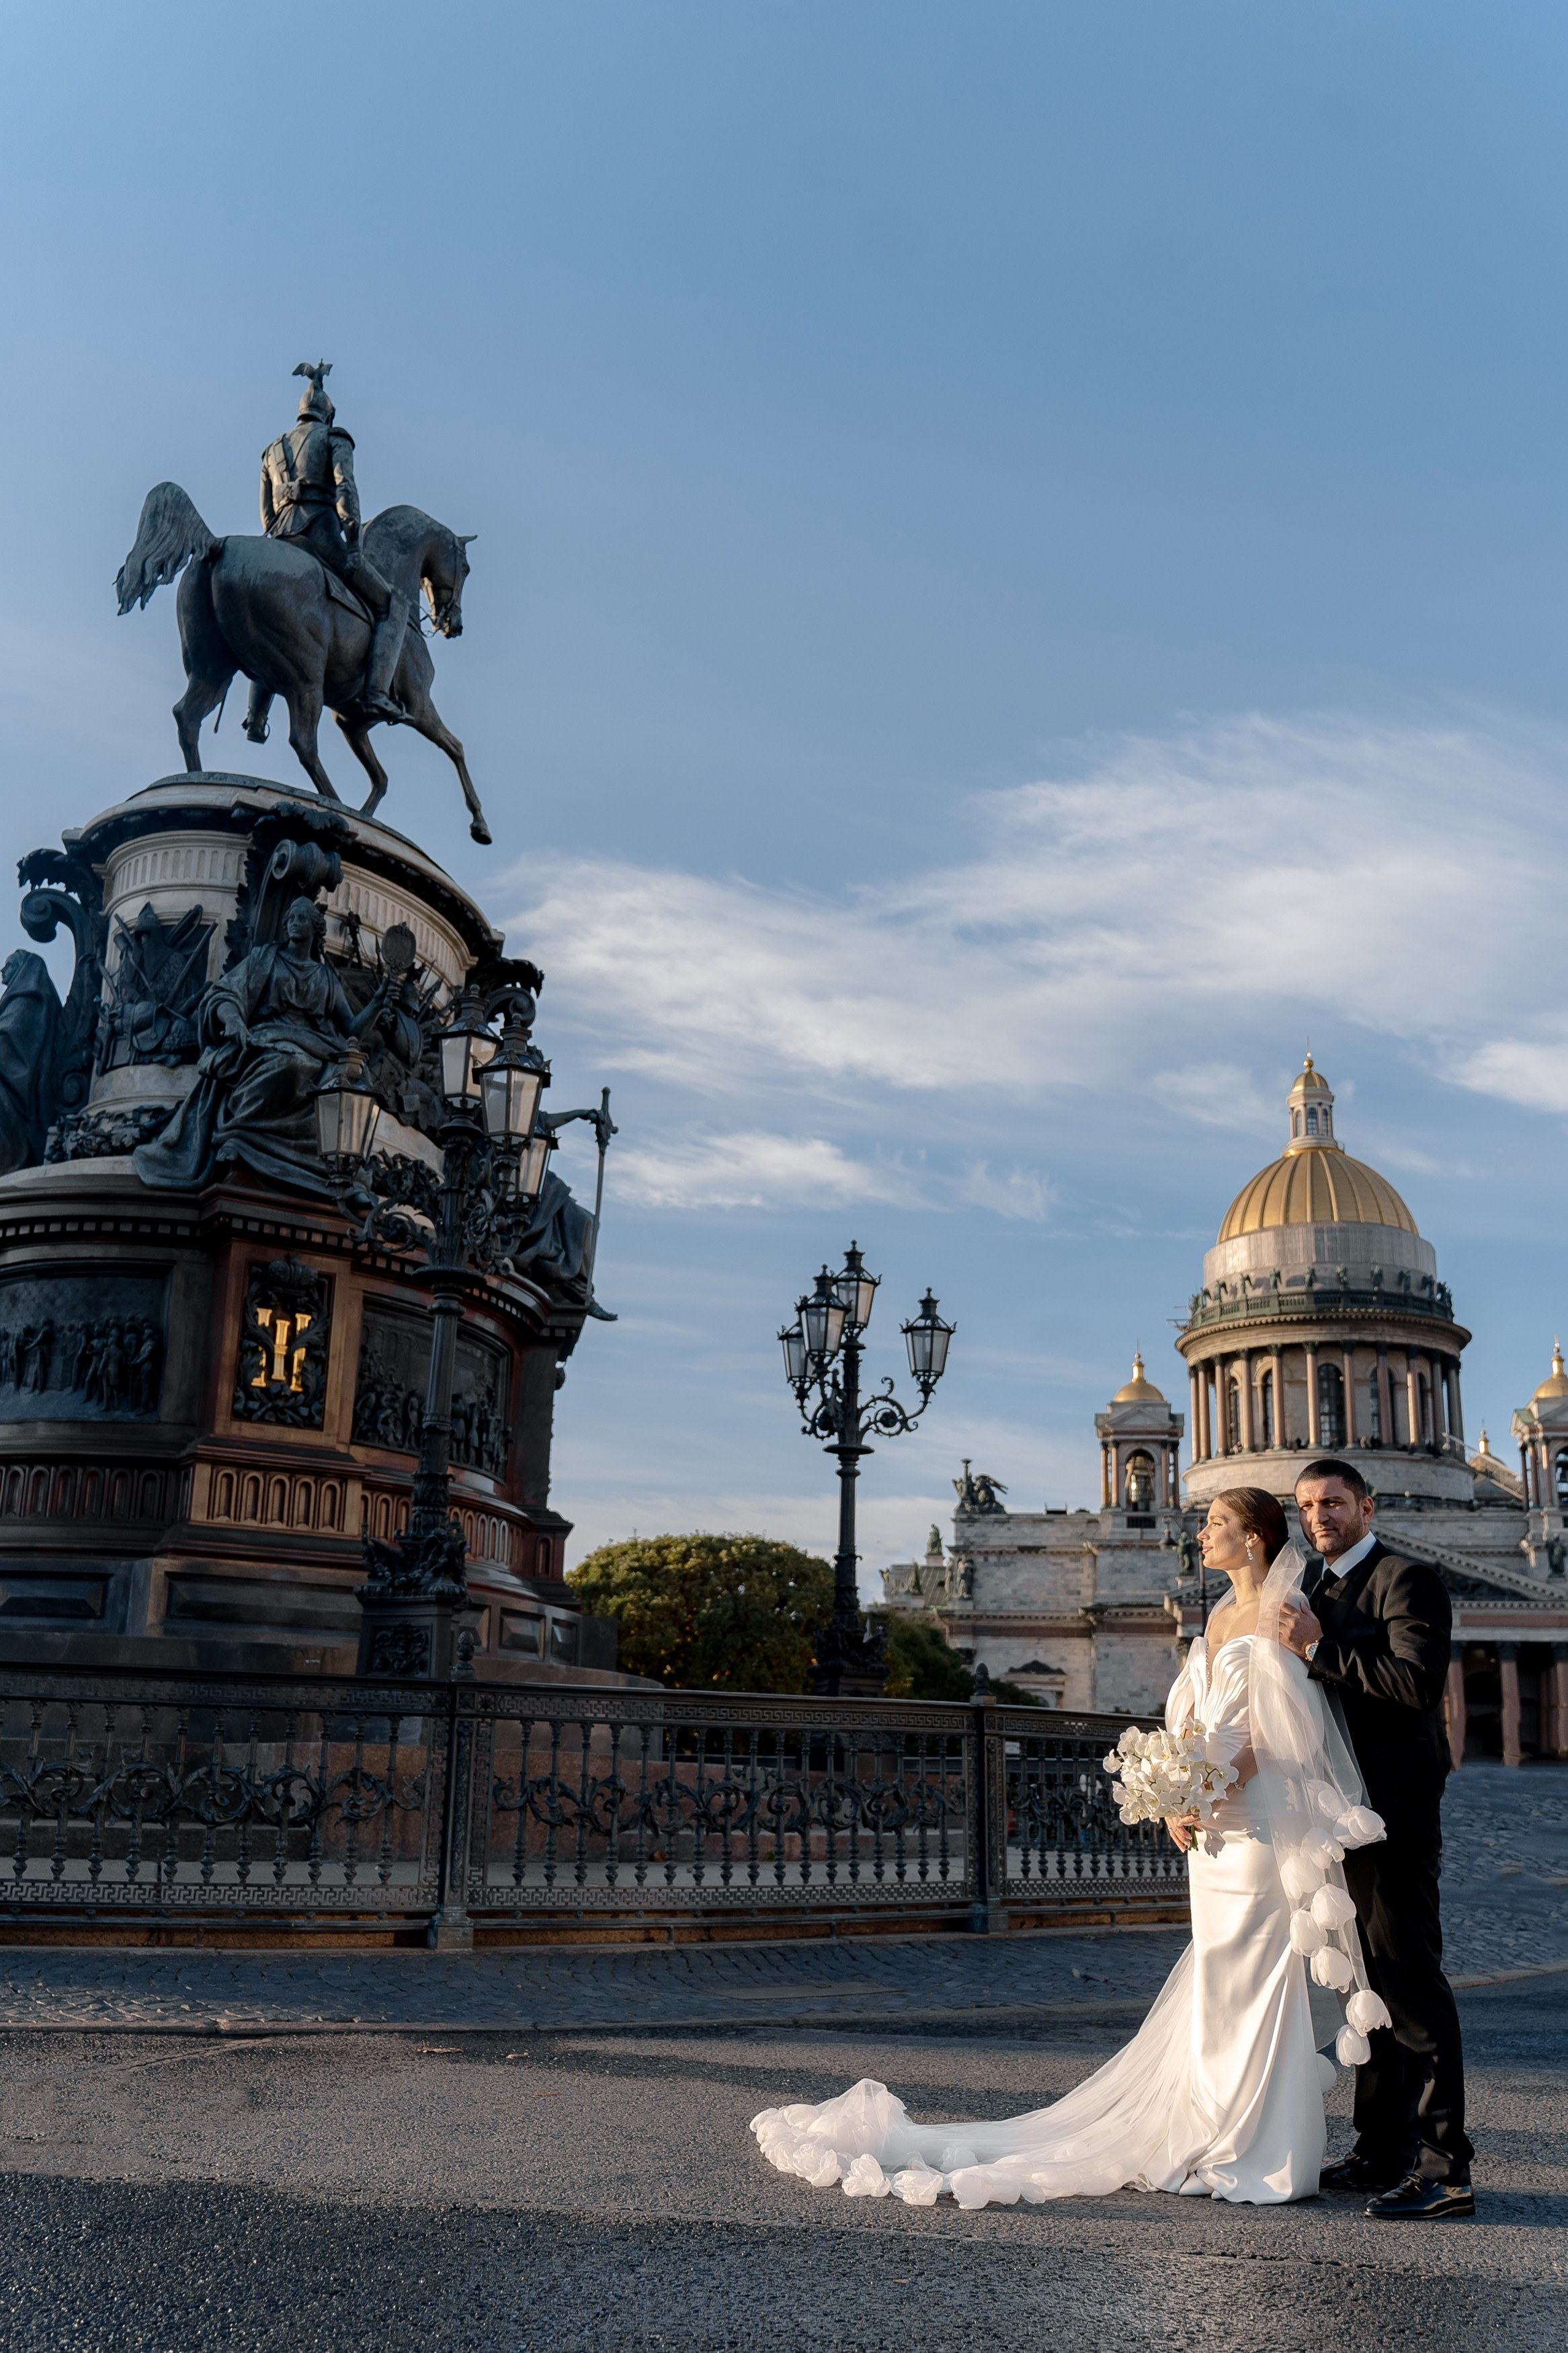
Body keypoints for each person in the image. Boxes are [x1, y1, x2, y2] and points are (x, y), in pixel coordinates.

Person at [751, 1489, 1390, 2210]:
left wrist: (1194, 1791)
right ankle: (1215, 2133)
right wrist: (1177, 1794)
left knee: (1257, 1979)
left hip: (1252, 1826)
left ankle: (1256, 2148)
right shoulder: (1211, 1615)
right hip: (1209, 1825)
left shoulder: (1283, 1613)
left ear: (1253, 1540)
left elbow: (1276, 1734)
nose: (1201, 1533)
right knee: (1217, 1980)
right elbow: (1196, 1720)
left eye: (1216, 1524)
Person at [1280, 1457, 1473, 2219]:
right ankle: (1378, 2147)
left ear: (1366, 1504)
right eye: (1305, 1505)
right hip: (1333, 1817)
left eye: (1332, 1501)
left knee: (1407, 1980)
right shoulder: (1313, 1588)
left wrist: (1315, 1650)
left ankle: (1443, 2165)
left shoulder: (1405, 1578)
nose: (1318, 1515)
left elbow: (1416, 1683)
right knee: (1364, 1983)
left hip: (1390, 1813)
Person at [244, 360, 409, 738]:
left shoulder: (271, 450)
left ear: (300, 413)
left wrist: (280, 533)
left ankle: (256, 716)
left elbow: (265, 513)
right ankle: (377, 693)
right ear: (328, 415)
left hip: (281, 538)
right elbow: (345, 488)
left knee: (271, 615)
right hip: (320, 537)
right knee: (393, 603)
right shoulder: (336, 439)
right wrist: (354, 542)